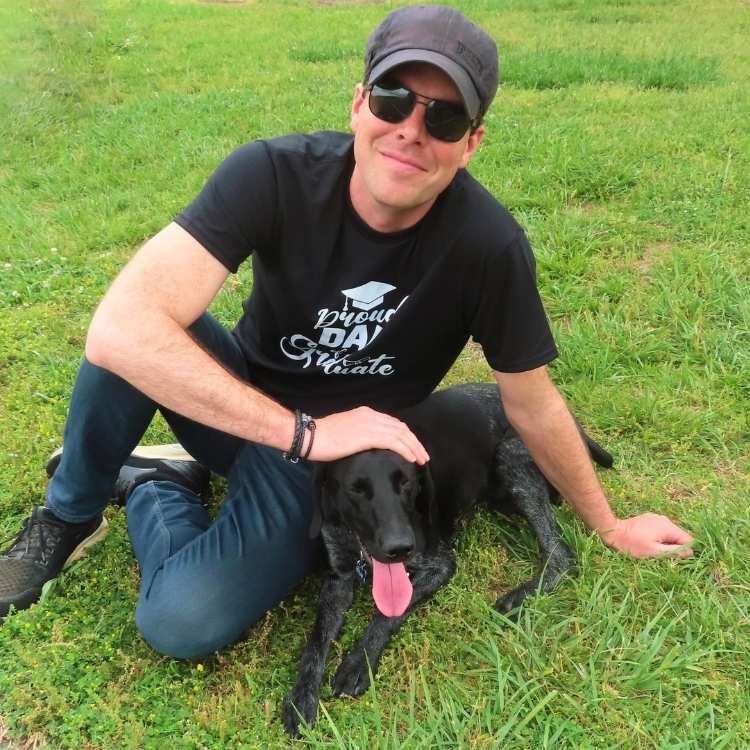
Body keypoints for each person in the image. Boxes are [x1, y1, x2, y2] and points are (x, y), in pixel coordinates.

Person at [0, 5, 693, 658]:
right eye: (395, 98)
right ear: (360, 102)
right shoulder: (272, 174)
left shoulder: (488, 245)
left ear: (472, 142)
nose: (412, 130)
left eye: (445, 118)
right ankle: (67, 516)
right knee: (137, 332)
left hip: (344, 475)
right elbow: (120, 327)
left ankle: (156, 484)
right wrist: (303, 432)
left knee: (181, 621)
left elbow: (531, 400)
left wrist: (607, 523)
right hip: (247, 405)